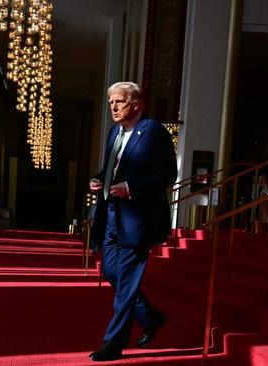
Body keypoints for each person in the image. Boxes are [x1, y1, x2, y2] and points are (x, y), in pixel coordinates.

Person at [88, 81, 177, 362]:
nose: (113, 107)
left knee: (125, 281)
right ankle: (149, 317)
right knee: (113, 272)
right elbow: (111, 168)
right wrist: (99, 179)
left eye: (119, 102)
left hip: (137, 218)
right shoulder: (115, 132)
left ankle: (113, 343)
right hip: (111, 214)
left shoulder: (153, 132)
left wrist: (132, 187)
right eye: (111, 102)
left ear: (137, 105)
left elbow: (167, 175)